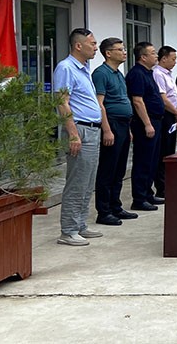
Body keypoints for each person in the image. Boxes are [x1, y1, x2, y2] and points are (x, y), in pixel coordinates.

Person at [52, 28, 104, 246]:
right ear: (78, 45)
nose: (96, 48)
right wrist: (73, 134)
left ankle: (80, 224)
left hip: (92, 130)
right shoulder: (66, 68)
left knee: (88, 181)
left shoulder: (84, 68)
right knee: (77, 181)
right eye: (93, 43)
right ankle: (69, 230)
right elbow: (62, 102)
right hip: (80, 129)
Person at [91, 38, 137, 227]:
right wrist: (107, 130)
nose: (124, 52)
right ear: (108, 53)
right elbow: (99, 104)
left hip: (124, 124)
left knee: (119, 169)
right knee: (108, 169)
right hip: (112, 123)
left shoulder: (118, 74)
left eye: (124, 49)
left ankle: (115, 206)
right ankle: (104, 211)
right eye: (120, 49)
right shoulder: (101, 74)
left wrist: (129, 129)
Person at [127, 42, 164, 212]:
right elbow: (137, 101)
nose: (156, 56)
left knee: (152, 160)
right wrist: (147, 123)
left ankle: (148, 193)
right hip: (144, 123)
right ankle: (139, 198)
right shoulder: (137, 74)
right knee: (143, 160)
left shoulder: (149, 73)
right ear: (143, 57)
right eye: (153, 53)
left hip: (156, 121)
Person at [153, 46, 177, 200]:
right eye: (173, 59)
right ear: (164, 58)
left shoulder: (169, 74)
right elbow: (164, 99)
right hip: (166, 115)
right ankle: (161, 188)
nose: (175, 62)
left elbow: (174, 96)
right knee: (163, 152)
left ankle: (168, 185)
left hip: (173, 115)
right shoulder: (158, 74)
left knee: (170, 151)